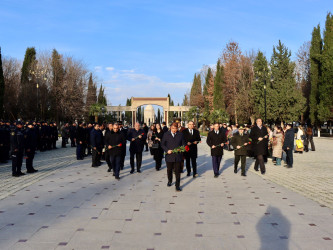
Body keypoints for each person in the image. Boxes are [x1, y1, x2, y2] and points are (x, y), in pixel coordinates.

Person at [161, 122, 185, 191]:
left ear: (178, 128)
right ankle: (170, 180)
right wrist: (167, 150)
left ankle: (177, 185)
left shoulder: (180, 134)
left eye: (176, 128)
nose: (174, 130)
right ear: (170, 128)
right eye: (173, 128)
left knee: (177, 171)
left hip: (178, 156)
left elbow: (184, 143)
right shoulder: (166, 134)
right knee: (169, 170)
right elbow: (162, 144)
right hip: (169, 156)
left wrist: (181, 148)